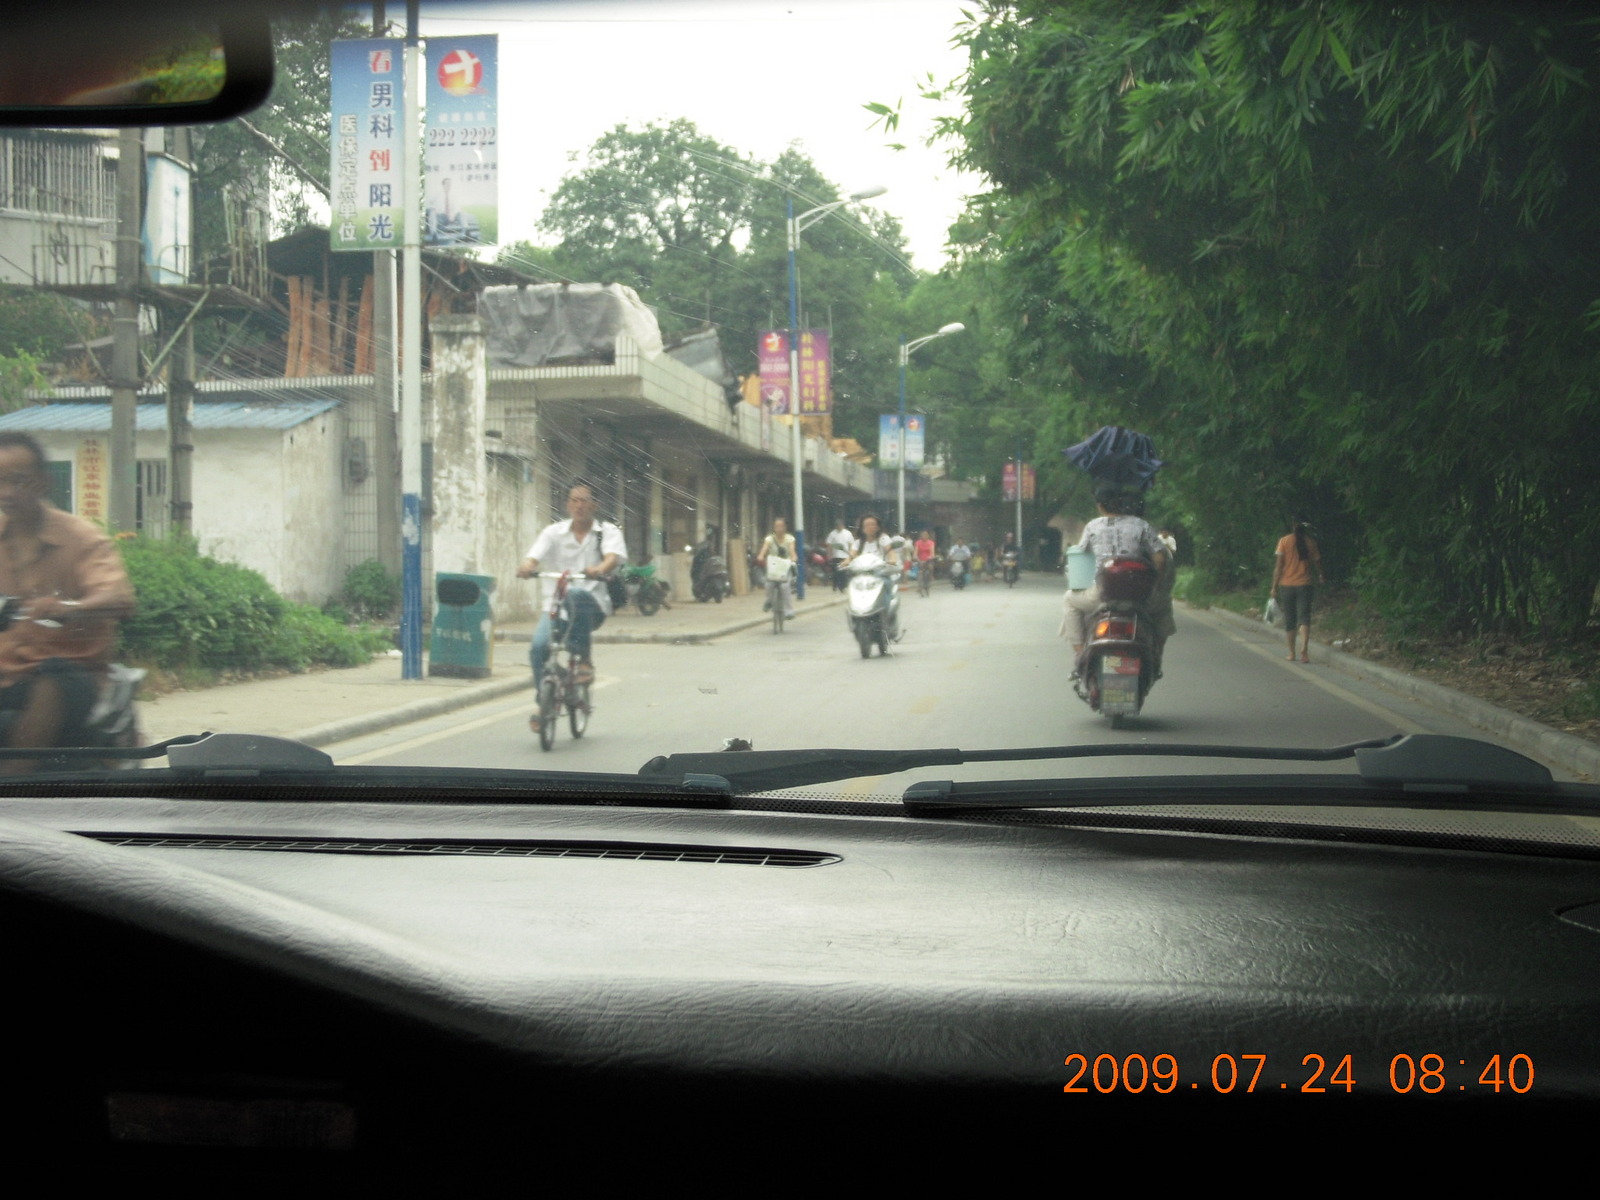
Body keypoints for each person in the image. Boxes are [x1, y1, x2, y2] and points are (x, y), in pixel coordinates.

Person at [0, 432, 135, 774]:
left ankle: (12, 786)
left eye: (18, 481)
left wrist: (71, 609)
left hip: (76, 680)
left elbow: (119, 598)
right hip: (8, 676)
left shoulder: (82, 538)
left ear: (44, 482)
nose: (7, 493)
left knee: (55, 673)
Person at [517, 482, 626, 699]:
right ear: (567, 504)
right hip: (555, 608)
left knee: (575, 594)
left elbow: (612, 558)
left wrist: (599, 569)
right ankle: (545, 700)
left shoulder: (607, 531)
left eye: (584, 500)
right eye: (574, 500)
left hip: (592, 606)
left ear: (595, 504)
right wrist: (527, 566)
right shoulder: (553, 532)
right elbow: (534, 556)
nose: (579, 506)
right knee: (538, 649)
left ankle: (584, 660)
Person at [1061, 488, 1171, 668]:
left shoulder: (1093, 526)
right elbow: (1160, 557)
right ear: (1122, 503)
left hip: (1102, 595)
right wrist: (1156, 584)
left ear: (1100, 506)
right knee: (1164, 606)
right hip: (1140, 597)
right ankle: (1156, 656)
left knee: (1070, 601)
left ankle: (1080, 654)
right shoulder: (1140, 525)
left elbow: (1082, 553)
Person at [1271, 515, 1326, 663]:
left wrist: (1274, 587)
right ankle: (1304, 651)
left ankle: (1291, 652)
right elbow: (1317, 562)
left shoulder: (1284, 541)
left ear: (1293, 525)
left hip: (1287, 585)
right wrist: (1321, 575)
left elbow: (1278, 567)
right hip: (1304, 584)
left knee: (1290, 620)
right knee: (1304, 618)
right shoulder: (1310, 542)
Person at [757, 516, 798, 619]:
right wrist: (761, 556)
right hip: (773, 567)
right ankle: (769, 601)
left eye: (781, 526)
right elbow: (764, 549)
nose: (779, 529)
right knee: (769, 584)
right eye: (776, 526)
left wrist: (793, 558)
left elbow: (792, 551)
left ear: (785, 527)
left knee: (785, 587)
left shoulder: (789, 539)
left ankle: (788, 611)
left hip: (785, 567)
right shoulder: (769, 539)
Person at [825, 517, 854, 591]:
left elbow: (851, 544)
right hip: (836, 556)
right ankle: (835, 586)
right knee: (836, 572)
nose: (839, 527)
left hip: (845, 556)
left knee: (843, 572)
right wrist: (829, 554)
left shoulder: (848, 533)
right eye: (838, 525)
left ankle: (842, 587)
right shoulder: (832, 534)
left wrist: (851, 554)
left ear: (842, 525)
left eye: (840, 525)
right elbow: (829, 545)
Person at [913, 529, 937, 595]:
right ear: (921, 536)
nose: (924, 536)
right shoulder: (918, 543)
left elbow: (932, 553)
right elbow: (915, 552)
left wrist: (930, 557)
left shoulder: (931, 543)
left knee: (930, 567)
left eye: (925, 535)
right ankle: (919, 586)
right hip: (920, 560)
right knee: (919, 572)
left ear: (928, 536)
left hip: (928, 560)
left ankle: (931, 576)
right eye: (923, 535)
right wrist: (915, 557)